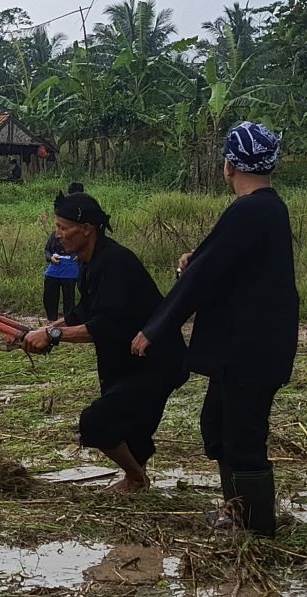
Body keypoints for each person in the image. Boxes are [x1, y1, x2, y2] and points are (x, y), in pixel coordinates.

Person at [130, 122, 298, 537]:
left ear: (228, 166)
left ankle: (256, 528)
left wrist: (156, 327)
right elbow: (217, 263)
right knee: (220, 424)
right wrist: (196, 261)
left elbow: (203, 276)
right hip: (252, 347)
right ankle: (236, 510)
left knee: (242, 435)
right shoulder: (267, 209)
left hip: (249, 351)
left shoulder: (249, 210)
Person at [21, 191, 188, 493]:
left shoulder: (114, 262)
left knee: (96, 422)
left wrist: (52, 334)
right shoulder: (89, 262)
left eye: (62, 227)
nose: (57, 235)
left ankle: (137, 479)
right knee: (132, 425)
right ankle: (135, 481)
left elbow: (105, 326)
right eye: (56, 227)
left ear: (86, 228)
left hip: (158, 360)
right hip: (130, 359)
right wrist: (47, 330)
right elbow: (83, 312)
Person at [42, 182, 85, 321]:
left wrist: (79, 255)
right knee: (49, 293)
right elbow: (47, 249)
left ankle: (69, 321)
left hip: (71, 264)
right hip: (55, 265)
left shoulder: (84, 218)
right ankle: (51, 319)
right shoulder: (55, 233)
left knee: (69, 297)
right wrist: (50, 258)